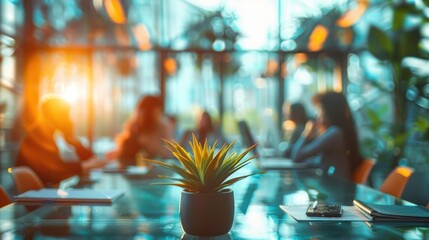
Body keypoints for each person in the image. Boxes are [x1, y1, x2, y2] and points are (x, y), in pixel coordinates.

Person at [15, 95, 108, 187]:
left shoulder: (48, 134)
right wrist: (83, 166)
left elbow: (88, 157)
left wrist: (70, 137)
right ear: (56, 115)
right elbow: (54, 171)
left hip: (45, 192)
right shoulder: (37, 138)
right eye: (66, 114)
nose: (69, 119)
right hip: (39, 196)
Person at [291, 91, 363, 180]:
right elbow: (320, 161)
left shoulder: (334, 133)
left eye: (320, 109)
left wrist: (307, 132)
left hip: (337, 189)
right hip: (334, 187)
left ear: (328, 111)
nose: (317, 114)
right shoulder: (337, 132)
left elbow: (296, 156)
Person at [113, 95, 175, 167]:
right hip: (130, 170)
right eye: (157, 110)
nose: (159, 113)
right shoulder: (134, 127)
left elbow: (169, 153)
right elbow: (122, 156)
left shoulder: (162, 126)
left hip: (149, 172)